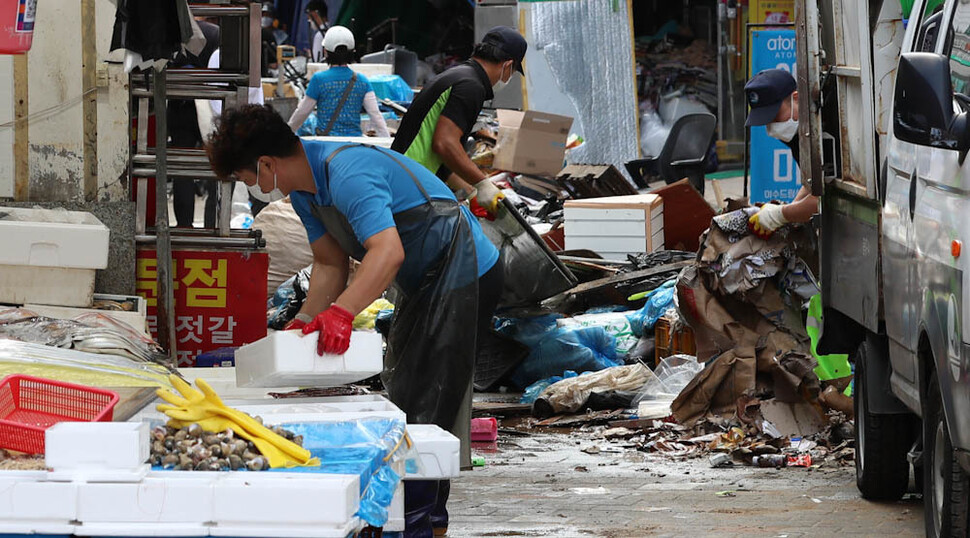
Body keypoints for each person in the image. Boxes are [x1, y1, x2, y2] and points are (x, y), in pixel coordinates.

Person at [206, 104, 502, 537]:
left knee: (429, 399)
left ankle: (424, 524)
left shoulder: (347, 171)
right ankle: (411, 516)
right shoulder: (305, 191)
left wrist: (343, 313)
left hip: (467, 269)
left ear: (266, 163)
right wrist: (307, 318)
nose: (252, 187)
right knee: (406, 388)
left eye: (248, 177)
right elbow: (329, 264)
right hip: (425, 279)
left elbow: (387, 251)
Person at [391, 26, 526, 218]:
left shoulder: (459, 76)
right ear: (507, 65)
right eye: (512, 72)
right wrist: (483, 183)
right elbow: (445, 143)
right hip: (411, 188)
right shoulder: (471, 86)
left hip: (404, 180)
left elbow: (443, 159)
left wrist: (472, 191)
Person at [744, 68, 818, 238]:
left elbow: (823, 200)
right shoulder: (796, 135)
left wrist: (780, 214)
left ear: (796, 98)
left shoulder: (823, 130)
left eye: (775, 116)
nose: (772, 126)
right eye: (766, 121)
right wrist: (793, 208)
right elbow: (811, 184)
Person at [287, 26, 390, 138]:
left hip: (327, 146)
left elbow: (302, 113)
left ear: (325, 51)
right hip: (354, 144)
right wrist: (388, 142)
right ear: (352, 52)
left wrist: (286, 135)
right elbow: (376, 116)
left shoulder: (318, 79)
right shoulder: (362, 81)